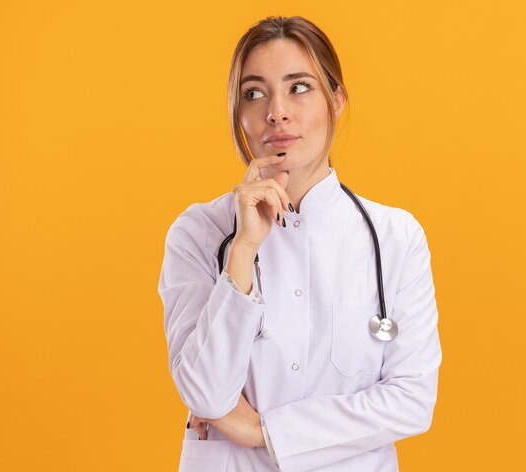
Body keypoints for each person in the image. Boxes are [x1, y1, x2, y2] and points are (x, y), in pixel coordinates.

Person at [158, 15, 442, 472]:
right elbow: (206, 394)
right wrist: (244, 250)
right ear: (238, 113)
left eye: (299, 87)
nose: (277, 111)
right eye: (254, 93)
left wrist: (263, 431)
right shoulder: (199, 233)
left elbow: (411, 400)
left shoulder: (396, 237)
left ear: (337, 99)